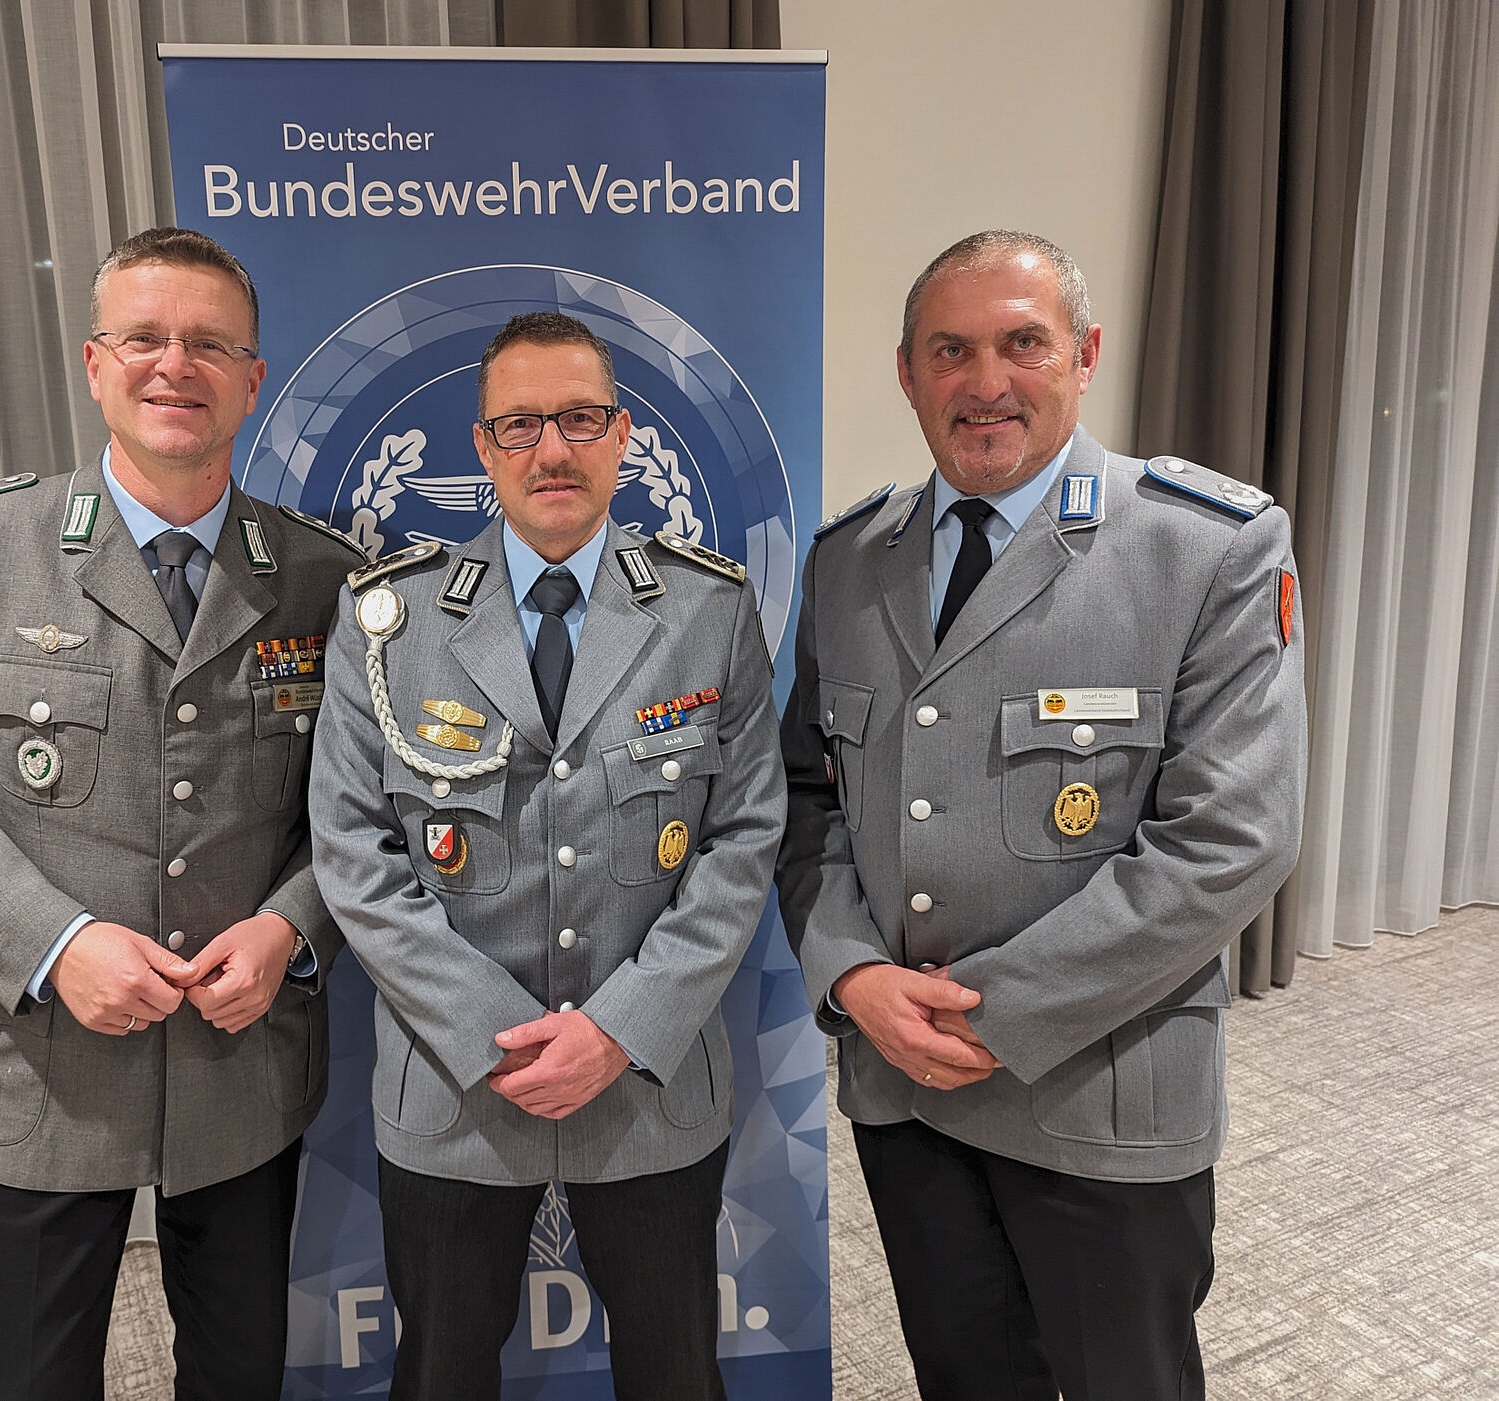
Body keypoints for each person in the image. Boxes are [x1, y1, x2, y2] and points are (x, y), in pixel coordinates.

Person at [777, 230, 1307, 1399]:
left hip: (1099, 1093)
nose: (985, 383)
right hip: (903, 1085)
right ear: (907, 374)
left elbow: (1231, 838)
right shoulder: (847, 562)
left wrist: (989, 1017)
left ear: (1085, 354)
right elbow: (807, 803)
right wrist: (855, 978)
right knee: (963, 1378)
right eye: (949, 351)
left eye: (1023, 344)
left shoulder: (1203, 548)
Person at [0, 227, 365, 1401]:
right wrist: (58, 944)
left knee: (239, 1376)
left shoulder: (325, 577)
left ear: (252, 379)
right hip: (42, 1066)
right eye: (145, 337)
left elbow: (357, 811)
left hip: (242, 1065)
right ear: (94, 363)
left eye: (208, 343)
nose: (173, 364)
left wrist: (290, 928)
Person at [307, 311, 785, 1401]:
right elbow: (354, 850)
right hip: (454, 1089)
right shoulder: (390, 618)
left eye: (579, 418)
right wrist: (494, 1037)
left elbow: (744, 836)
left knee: (674, 1374)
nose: (551, 450)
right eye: (519, 424)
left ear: (622, 435)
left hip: (649, 1085)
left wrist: (618, 1032)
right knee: (439, 1375)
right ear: (481, 447)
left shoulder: (709, 609)